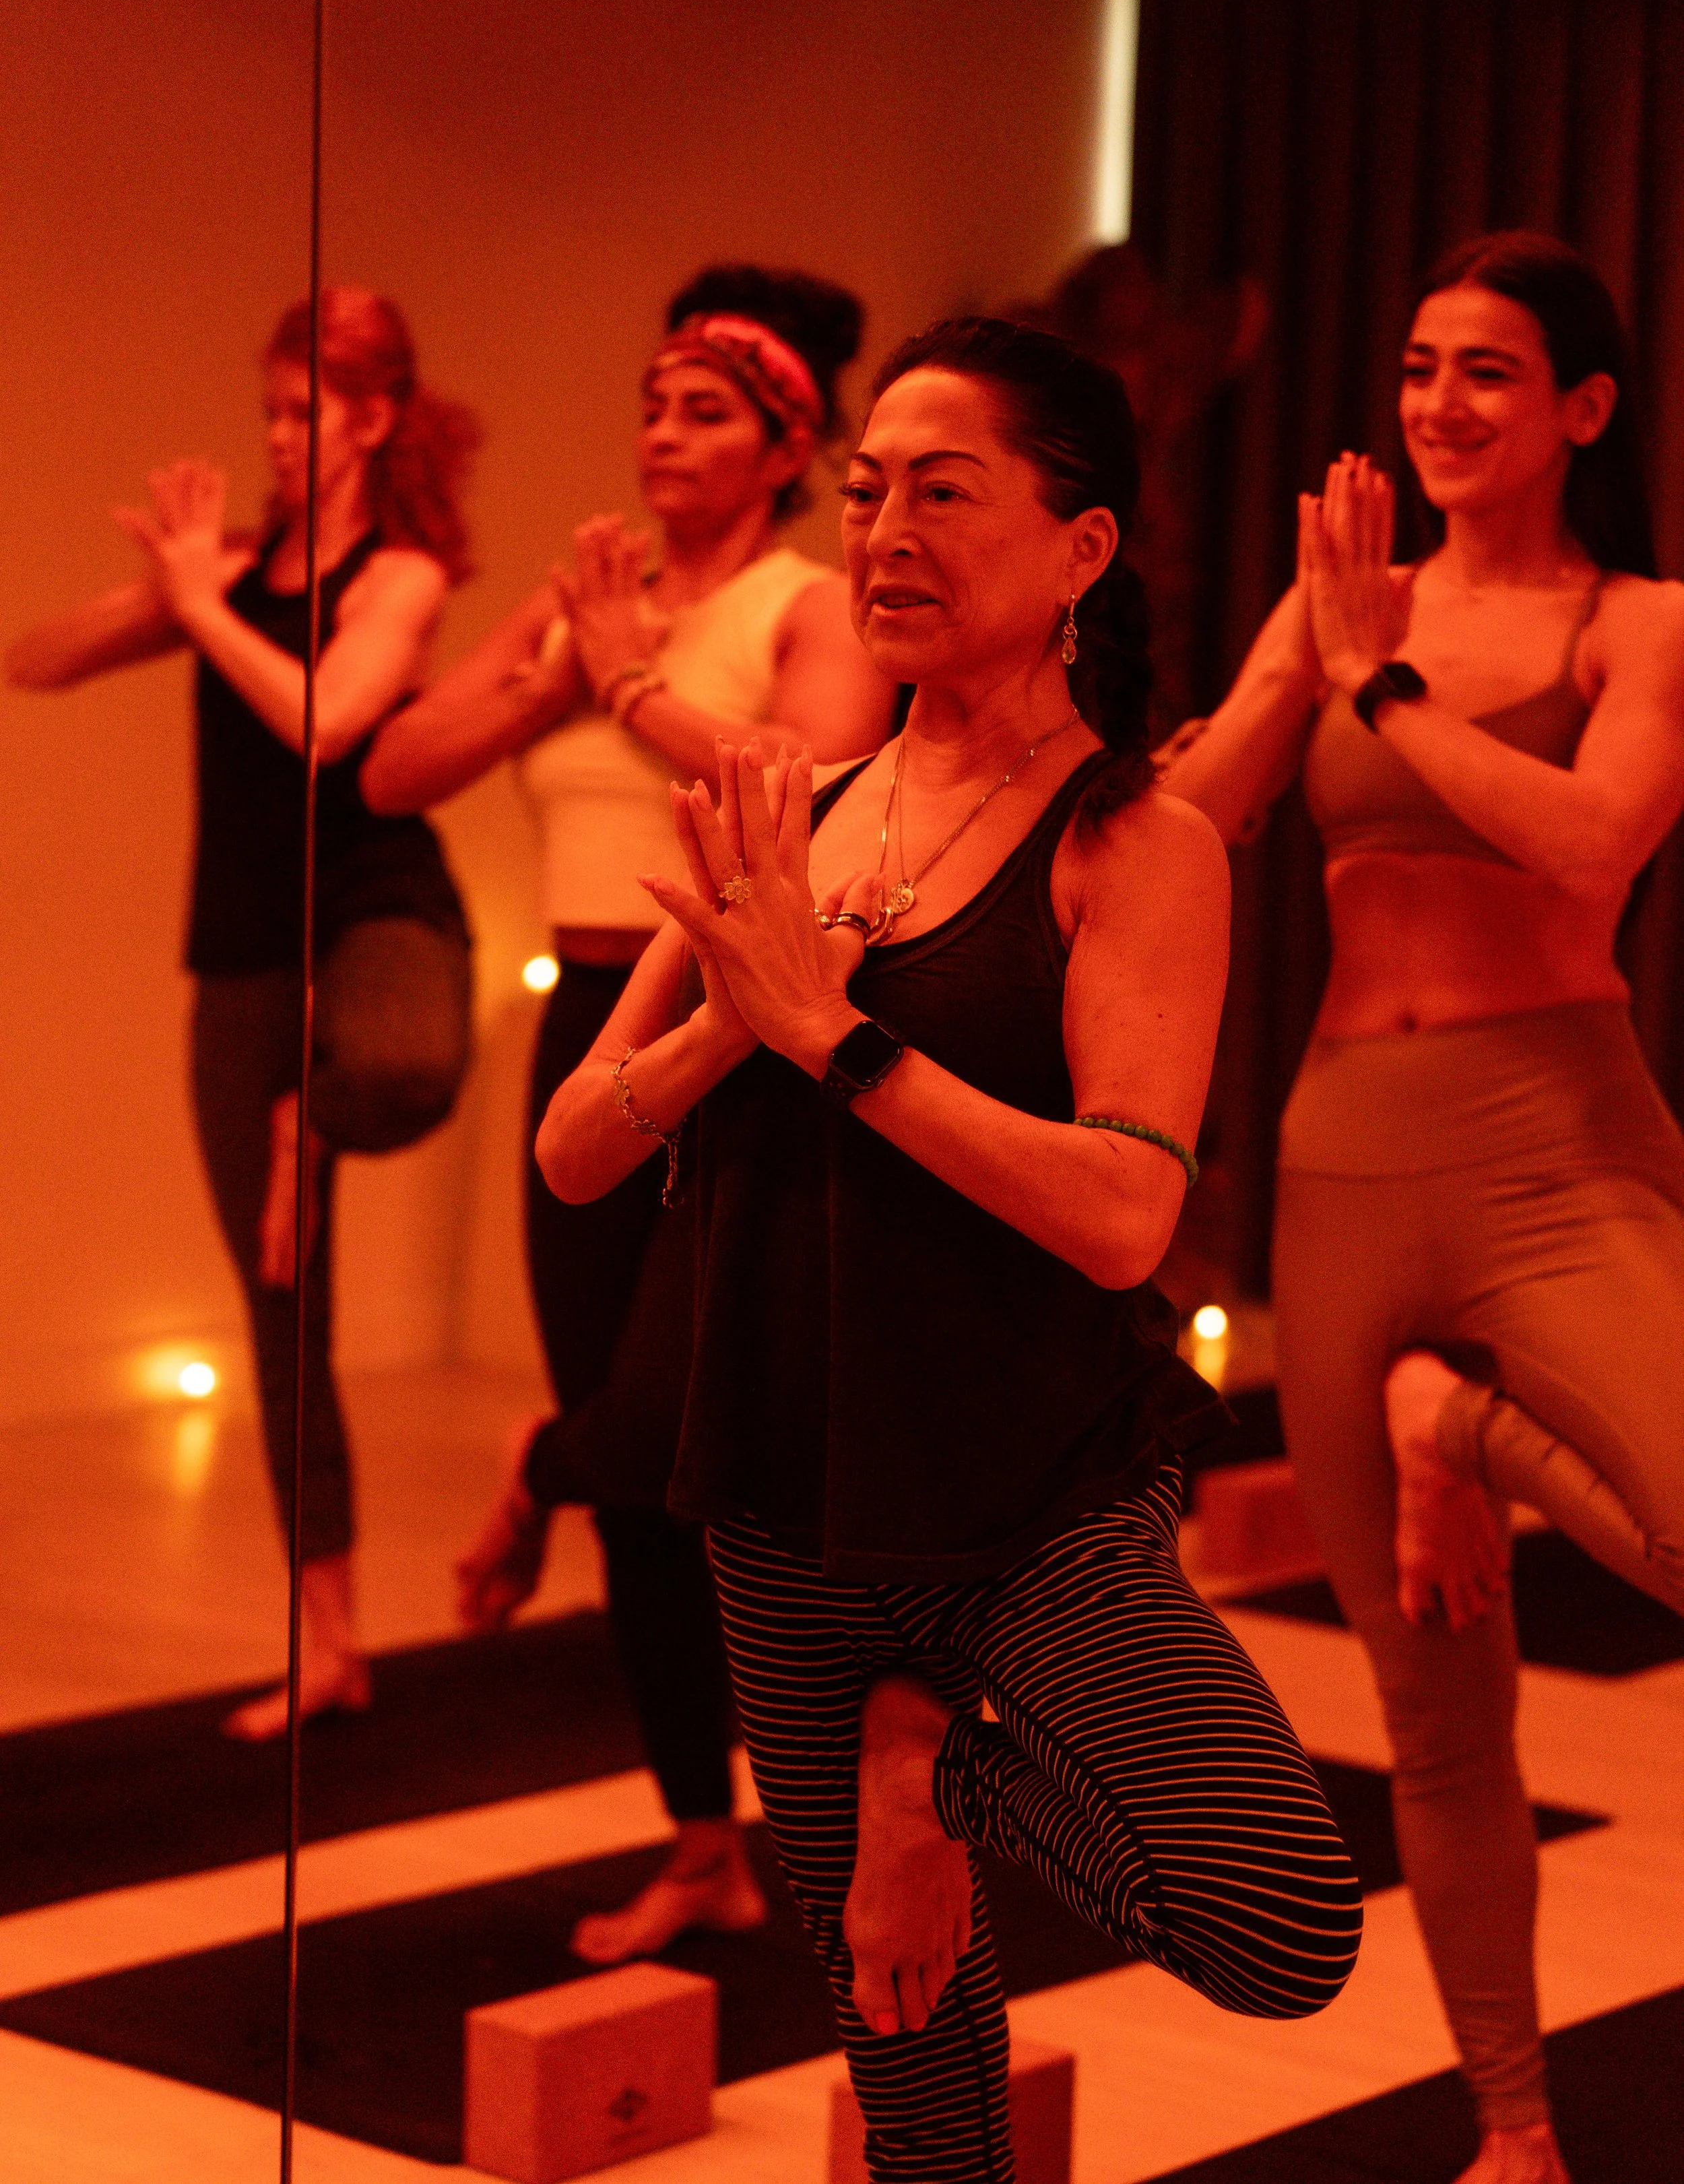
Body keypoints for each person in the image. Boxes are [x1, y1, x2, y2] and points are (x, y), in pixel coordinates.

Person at [534, 316, 1363, 2181]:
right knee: (917, 2081)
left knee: (1278, 1925)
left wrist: (836, 1040)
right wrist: (734, 1019)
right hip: (784, 1514)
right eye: (864, 492)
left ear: (1080, 548)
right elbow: (576, 1150)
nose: (885, 530)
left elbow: (1122, 1207)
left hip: (1029, 1510)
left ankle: (937, 1762)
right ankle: (905, 1772)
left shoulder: (1131, 839)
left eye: (941, 489)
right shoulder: (784, 812)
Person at [1160, 232, 1684, 2184]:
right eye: (1415, 366)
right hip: (1343, 1151)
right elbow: (1199, 818)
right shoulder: (1329, 612)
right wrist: (1295, 656)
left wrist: (1374, 672)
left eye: (1486, 370)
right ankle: (1514, 2131)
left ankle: (1457, 1420)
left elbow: (1591, 833)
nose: (1440, 403)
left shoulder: (1638, 621)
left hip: (1558, 1135)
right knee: (1434, 1713)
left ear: (1579, 410)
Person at [361, 265, 897, 1962]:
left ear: (785, 445)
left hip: (746, 1027)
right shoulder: (590, 589)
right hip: (582, 1018)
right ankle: (696, 1838)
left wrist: (634, 689)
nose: (666, 437)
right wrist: (555, 673)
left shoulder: (809, 602)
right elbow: (390, 769)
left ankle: (545, 1474)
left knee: (674, 1442)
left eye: (707, 412)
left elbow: (815, 781)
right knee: (632, 1443)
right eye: (654, 405)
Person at [5, 288, 477, 1739]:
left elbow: (330, 719)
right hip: (241, 946)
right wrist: (169, 584)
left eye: (307, 412)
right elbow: (43, 657)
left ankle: (310, 1119)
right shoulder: (234, 568)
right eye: (269, 410)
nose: (280, 438)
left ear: (376, 418)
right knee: (282, 1322)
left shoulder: (404, 574)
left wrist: (205, 607)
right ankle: (327, 1638)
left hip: (382, 905)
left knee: (403, 1063)